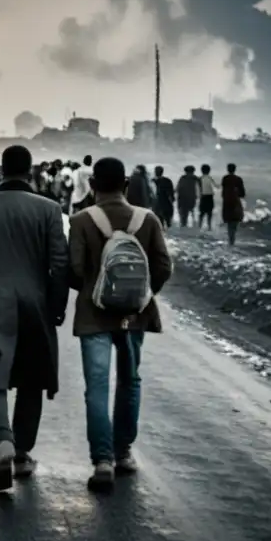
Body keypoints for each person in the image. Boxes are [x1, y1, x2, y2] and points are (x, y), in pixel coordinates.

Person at [0, 145, 69, 492]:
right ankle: (21, 453)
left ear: (1, 170)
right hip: (35, 301)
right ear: (29, 170)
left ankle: (2, 441)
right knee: (32, 378)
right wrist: (57, 305)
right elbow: (60, 263)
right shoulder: (49, 209)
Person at [68, 157, 172, 493]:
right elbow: (163, 265)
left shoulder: (82, 220)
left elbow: (73, 268)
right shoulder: (148, 219)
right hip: (133, 316)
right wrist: (141, 294)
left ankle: (101, 460)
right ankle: (123, 452)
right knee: (130, 380)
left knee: (96, 386)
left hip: (94, 315)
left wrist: (91, 290)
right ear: (126, 185)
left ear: (93, 185)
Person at [221, 163, 246, 245]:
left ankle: (230, 239)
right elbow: (242, 193)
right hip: (235, 201)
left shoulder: (225, 178)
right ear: (235, 169)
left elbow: (223, 192)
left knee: (229, 221)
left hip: (227, 202)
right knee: (235, 221)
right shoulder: (238, 179)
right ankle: (232, 240)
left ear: (227, 169)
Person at [198, 164, 218, 230]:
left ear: (201, 171)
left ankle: (199, 227)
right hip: (210, 197)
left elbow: (198, 188)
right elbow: (216, 186)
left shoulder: (200, 178)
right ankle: (209, 227)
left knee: (201, 214)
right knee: (209, 213)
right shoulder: (210, 178)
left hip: (203, 197)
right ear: (209, 171)